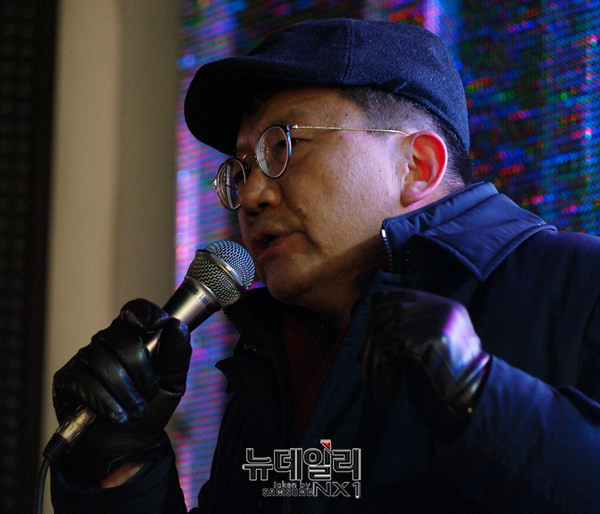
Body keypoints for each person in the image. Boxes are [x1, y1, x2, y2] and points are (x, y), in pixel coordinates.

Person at [49, 18, 600, 513]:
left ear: (417, 165)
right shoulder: (272, 357)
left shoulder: (576, 281)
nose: (252, 195)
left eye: (282, 147)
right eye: (241, 170)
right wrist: (119, 470)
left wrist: (480, 396)